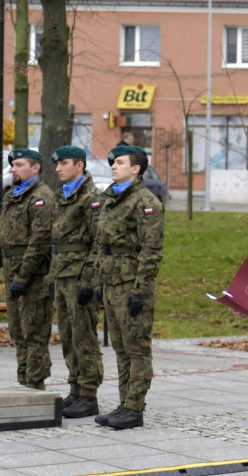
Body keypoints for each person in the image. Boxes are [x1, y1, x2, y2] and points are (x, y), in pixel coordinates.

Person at [91, 145, 164, 430]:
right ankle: (124, 404)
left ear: (136, 168)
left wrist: (141, 289)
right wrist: (98, 280)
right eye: (113, 162)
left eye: (120, 162)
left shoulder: (146, 203)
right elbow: (101, 245)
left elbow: (151, 251)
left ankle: (134, 407)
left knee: (136, 350)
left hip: (132, 284)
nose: (113, 166)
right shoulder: (110, 198)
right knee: (121, 349)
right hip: (111, 282)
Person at [0, 149, 55, 390]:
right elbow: (2, 238)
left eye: (20, 164)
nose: (13, 168)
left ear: (36, 168)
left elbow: (40, 241)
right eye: (13, 165)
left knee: (34, 334)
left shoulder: (41, 197)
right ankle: (24, 382)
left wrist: (23, 277)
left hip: (34, 279)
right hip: (13, 276)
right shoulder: (14, 196)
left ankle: (35, 385)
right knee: (18, 334)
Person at [51, 145, 105, 418]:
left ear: (79, 165)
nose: (58, 168)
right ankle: (75, 388)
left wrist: (89, 280)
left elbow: (98, 241)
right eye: (57, 164)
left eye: (64, 164)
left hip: (79, 276)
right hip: (62, 275)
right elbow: (58, 241)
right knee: (68, 336)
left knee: (84, 336)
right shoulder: (63, 195)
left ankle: (89, 394)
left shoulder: (91, 197)